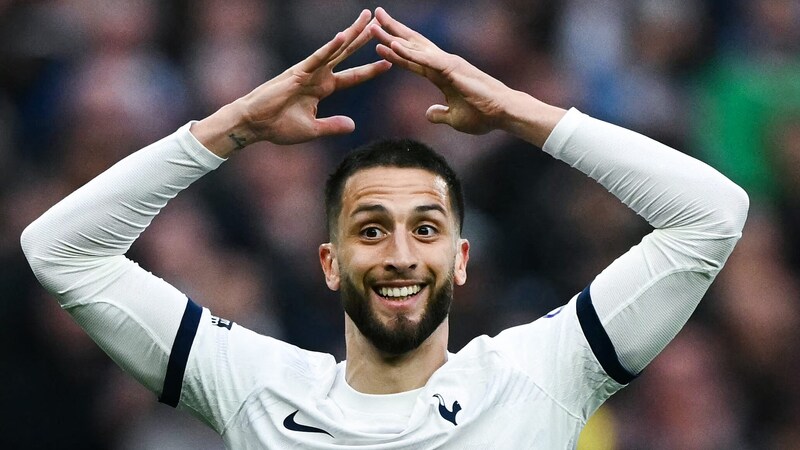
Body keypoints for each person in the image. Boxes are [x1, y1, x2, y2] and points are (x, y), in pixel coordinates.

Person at [21, 7, 749, 448]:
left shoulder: (540, 372)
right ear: (329, 262)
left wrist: (516, 111)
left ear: (461, 259)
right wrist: (232, 127)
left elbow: (713, 216)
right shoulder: (260, 387)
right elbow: (59, 250)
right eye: (371, 230)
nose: (401, 253)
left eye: (425, 229)